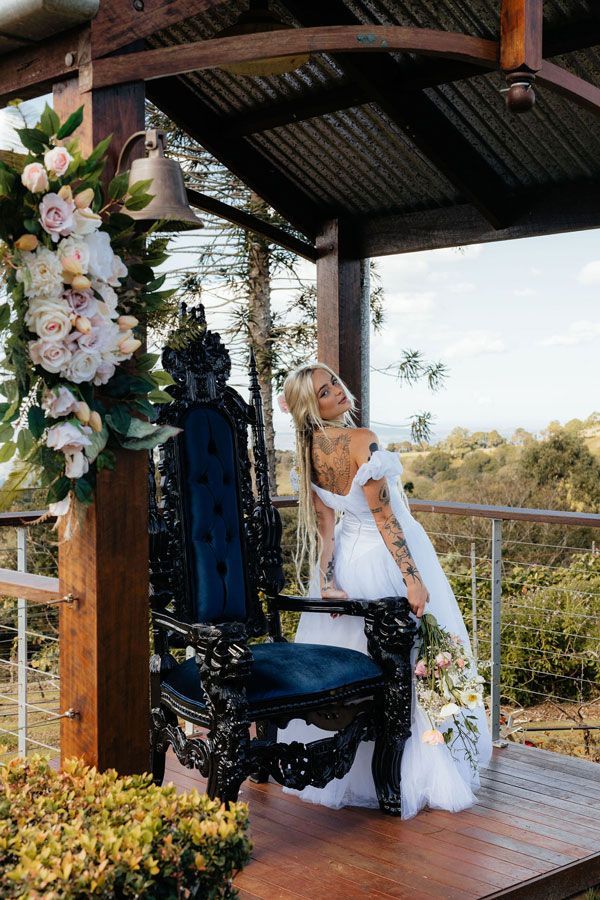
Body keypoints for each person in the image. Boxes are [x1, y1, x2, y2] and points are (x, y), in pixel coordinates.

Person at [278, 363, 492, 819]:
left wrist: (329, 583)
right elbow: (386, 520)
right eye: (324, 392)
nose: (337, 390)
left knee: (358, 667)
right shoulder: (361, 440)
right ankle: (414, 772)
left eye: (333, 382)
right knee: (408, 662)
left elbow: (328, 532)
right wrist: (413, 577)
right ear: (310, 408)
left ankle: (356, 770)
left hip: (349, 569)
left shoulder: (307, 452)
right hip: (386, 562)